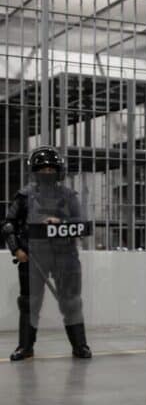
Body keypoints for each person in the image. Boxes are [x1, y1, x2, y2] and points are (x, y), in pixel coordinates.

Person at [1, 146, 91, 360]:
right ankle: (26, 347)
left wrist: (61, 222)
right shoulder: (24, 196)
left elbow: (81, 224)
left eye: (52, 169)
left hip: (65, 256)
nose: (48, 173)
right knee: (29, 302)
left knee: (71, 302)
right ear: (35, 171)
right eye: (43, 169)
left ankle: (80, 346)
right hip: (33, 256)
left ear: (58, 171)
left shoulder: (70, 196)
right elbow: (8, 224)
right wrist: (17, 249)